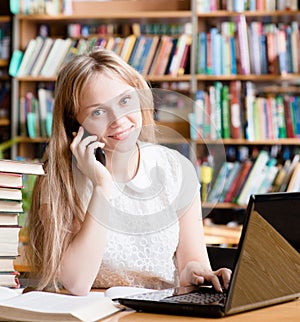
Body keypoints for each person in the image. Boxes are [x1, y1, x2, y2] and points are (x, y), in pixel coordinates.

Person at [27, 48, 231, 296]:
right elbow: (77, 283)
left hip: (158, 312)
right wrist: (102, 186)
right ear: (75, 125)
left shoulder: (177, 169)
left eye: (125, 100)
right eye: (98, 112)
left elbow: (191, 262)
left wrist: (201, 274)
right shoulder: (59, 180)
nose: (119, 120)